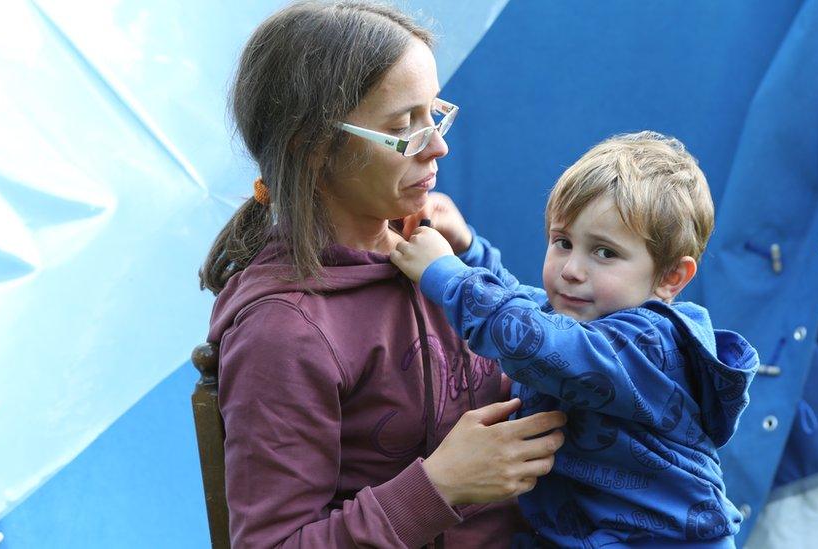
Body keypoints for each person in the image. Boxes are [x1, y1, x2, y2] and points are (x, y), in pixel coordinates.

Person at [199, 2, 566, 547]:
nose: (438, 146)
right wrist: (439, 486)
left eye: (434, 113)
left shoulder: (428, 252)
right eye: (403, 129)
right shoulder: (284, 332)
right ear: (314, 150)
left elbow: (536, 340)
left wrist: (471, 256)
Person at [391, 132, 761, 547]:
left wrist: (447, 275)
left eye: (604, 253)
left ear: (670, 278)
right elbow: (526, 307)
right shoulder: (585, 318)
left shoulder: (650, 346)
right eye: (563, 242)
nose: (571, 269)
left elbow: (536, 342)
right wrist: (470, 249)